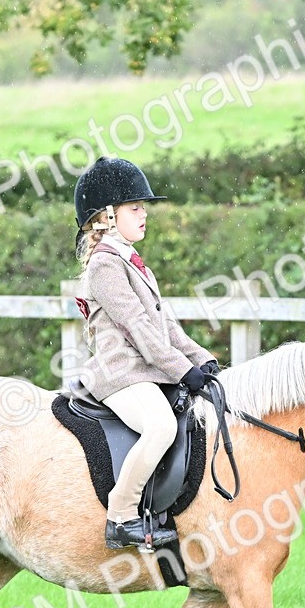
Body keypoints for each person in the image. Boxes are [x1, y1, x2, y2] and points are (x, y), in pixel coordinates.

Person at [72, 157, 220, 550]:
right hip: (121, 373)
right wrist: (181, 369)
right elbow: (137, 328)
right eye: (135, 208)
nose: (144, 215)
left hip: (146, 371)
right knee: (161, 427)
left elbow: (165, 326)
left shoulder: (135, 264)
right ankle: (121, 516)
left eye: (143, 208)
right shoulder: (105, 265)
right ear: (106, 216)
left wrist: (200, 359)